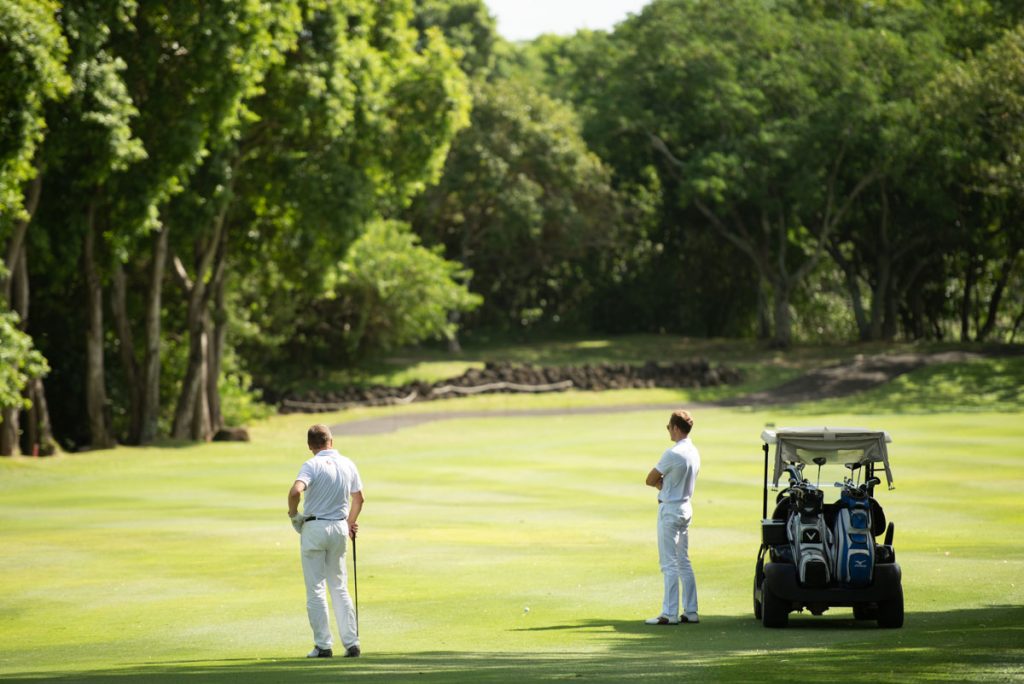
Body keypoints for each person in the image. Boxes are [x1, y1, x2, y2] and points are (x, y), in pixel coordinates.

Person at [287, 424, 364, 658]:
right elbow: (359, 499)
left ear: (310, 445)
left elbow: (295, 492)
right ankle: (351, 643)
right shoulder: (347, 463)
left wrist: (293, 515)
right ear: (331, 441)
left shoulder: (311, 465)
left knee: (316, 588)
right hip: (339, 528)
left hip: (315, 528)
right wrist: (350, 523)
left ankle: (323, 645)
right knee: (339, 586)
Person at [644, 409, 701, 625]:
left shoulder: (672, 453)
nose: (668, 430)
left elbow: (650, 479)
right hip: (686, 507)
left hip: (670, 509)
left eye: (669, 426)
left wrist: (663, 484)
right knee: (683, 561)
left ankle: (669, 614)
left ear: (676, 428)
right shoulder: (694, 451)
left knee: (669, 563)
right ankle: (691, 611)